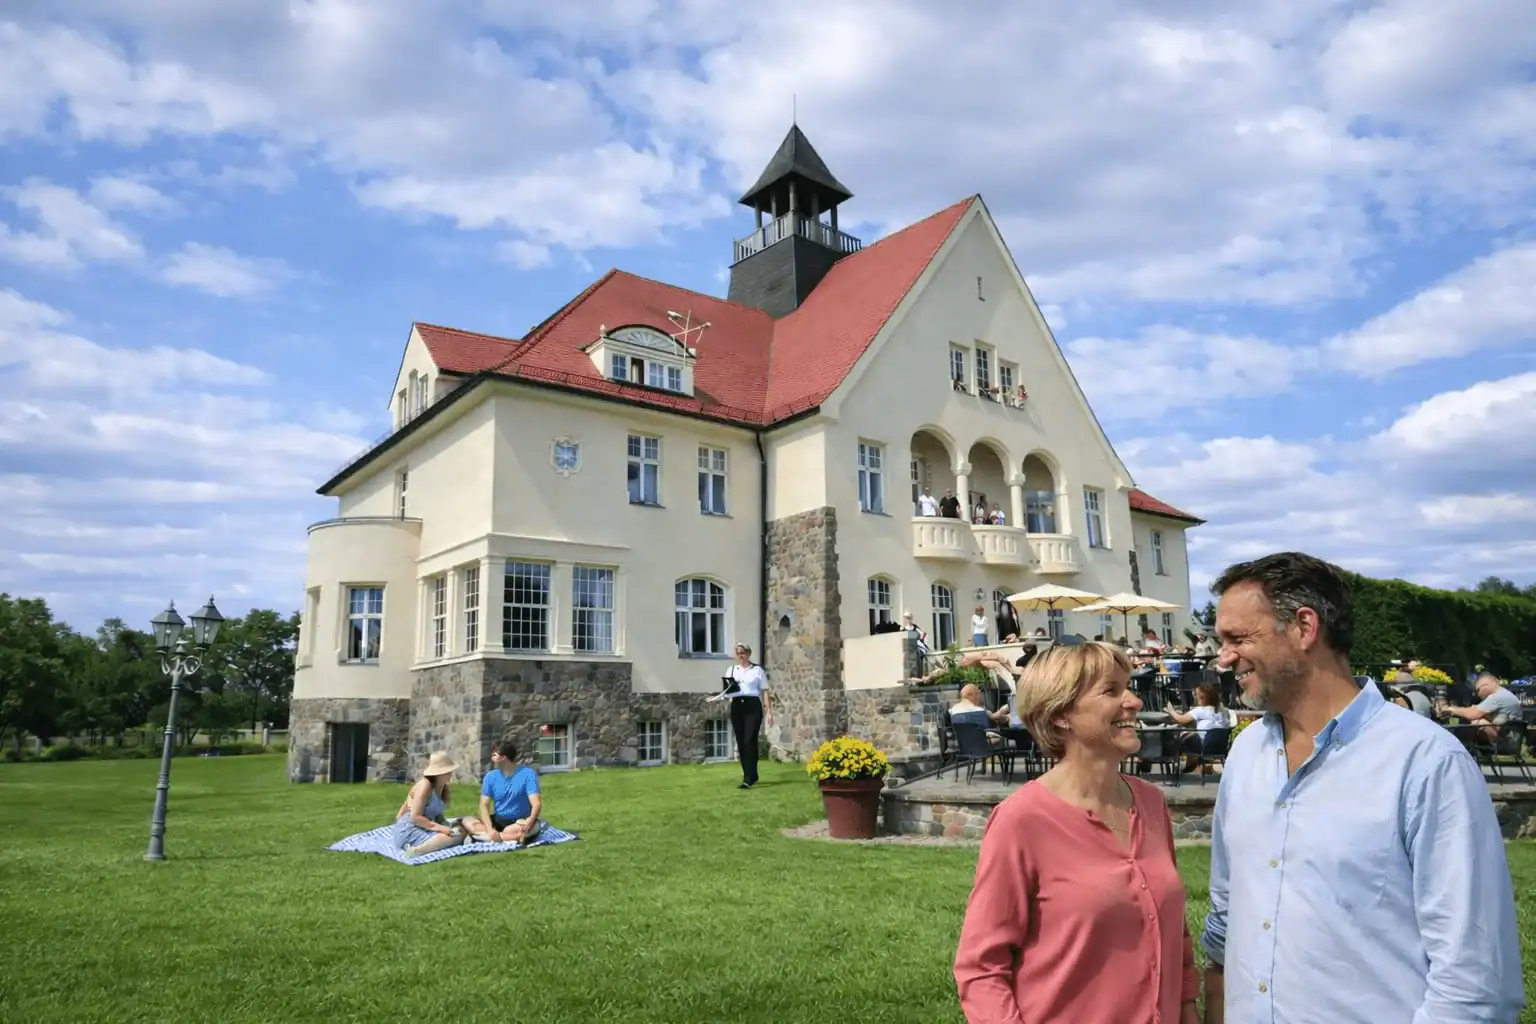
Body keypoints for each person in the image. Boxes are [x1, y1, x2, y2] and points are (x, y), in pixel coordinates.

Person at [1200, 552, 1523, 1023]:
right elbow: (1225, 921)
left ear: (1305, 627)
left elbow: (1473, 978)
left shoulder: (1425, 761)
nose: (1223, 657)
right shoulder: (1247, 753)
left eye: (1237, 638)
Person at [954, 642, 1199, 1023]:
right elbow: (981, 968)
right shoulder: (1022, 821)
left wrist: (1186, 1008)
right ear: (1060, 716)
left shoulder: (1151, 804)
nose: (1133, 701)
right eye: (1111, 690)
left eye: (1129, 687)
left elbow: (1176, 934)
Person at [708, 643, 774, 788]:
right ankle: (749, 775)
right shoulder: (732, 670)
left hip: (752, 706)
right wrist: (714, 698)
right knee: (741, 741)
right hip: (738, 706)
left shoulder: (757, 670)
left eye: (743, 653)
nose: (741, 656)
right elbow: (726, 691)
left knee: (750, 739)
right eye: (738, 653)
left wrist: (769, 711)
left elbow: (765, 691)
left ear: (749, 654)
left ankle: (749, 778)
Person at [394, 751, 465, 859]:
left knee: (459, 834)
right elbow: (415, 816)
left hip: (425, 826)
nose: (450, 774)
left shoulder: (442, 787)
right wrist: (441, 828)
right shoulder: (425, 786)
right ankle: (418, 850)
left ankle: (422, 847)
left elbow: (436, 814)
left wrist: (446, 825)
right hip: (409, 828)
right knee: (452, 838)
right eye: (447, 772)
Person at [478, 738, 543, 844]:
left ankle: (498, 837)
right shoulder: (490, 777)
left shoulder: (527, 774)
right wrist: (489, 828)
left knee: (512, 830)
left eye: (494, 755)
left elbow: (536, 804)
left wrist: (530, 822)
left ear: (504, 757)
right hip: (499, 820)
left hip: (520, 820)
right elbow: (483, 805)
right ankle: (504, 837)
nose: (491, 757)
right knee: (468, 822)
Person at [1165, 682, 1232, 773]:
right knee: (1192, 735)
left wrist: (1171, 710)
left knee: (1182, 736)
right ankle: (1192, 763)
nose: (1194, 697)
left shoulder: (1200, 711)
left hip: (1203, 747)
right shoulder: (1223, 711)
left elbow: (1180, 719)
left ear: (1202, 698)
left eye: (1195, 694)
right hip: (1220, 746)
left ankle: (1186, 764)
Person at [1443, 672, 1523, 744]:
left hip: (1506, 742)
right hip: (1513, 739)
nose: (1478, 694)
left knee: (1477, 721)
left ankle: (1458, 744)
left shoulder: (1497, 697)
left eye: (1478, 690)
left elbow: (1472, 714)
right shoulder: (1504, 694)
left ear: (1485, 686)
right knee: (1478, 717)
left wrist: (1450, 709)